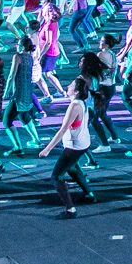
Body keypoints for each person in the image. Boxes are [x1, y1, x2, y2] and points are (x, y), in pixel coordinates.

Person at [38, 77, 95, 219]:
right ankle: (89, 194)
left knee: (56, 176)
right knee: (73, 168)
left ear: (75, 91)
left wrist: (48, 149)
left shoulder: (75, 106)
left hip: (74, 146)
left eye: (70, 85)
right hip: (82, 143)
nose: (67, 86)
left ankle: (71, 209)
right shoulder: (81, 103)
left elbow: (63, 129)